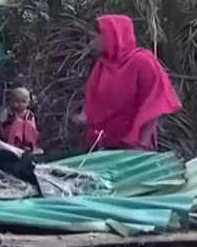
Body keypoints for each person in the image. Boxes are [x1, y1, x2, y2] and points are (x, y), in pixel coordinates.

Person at [76, 14, 181, 151]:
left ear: (111, 35)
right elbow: (94, 105)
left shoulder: (141, 62)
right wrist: (83, 119)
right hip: (103, 145)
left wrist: (142, 142)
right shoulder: (101, 66)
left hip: (134, 146)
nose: (91, 44)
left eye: (94, 38)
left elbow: (153, 104)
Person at [1, 86, 40, 152]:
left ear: (29, 102)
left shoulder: (29, 114)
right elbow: (0, 124)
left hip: (25, 137)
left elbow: (33, 128)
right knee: (18, 122)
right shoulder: (8, 112)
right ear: (11, 101)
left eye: (23, 101)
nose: (20, 104)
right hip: (10, 135)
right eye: (17, 101)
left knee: (29, 124)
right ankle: (14, 146)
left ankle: (29, 146)